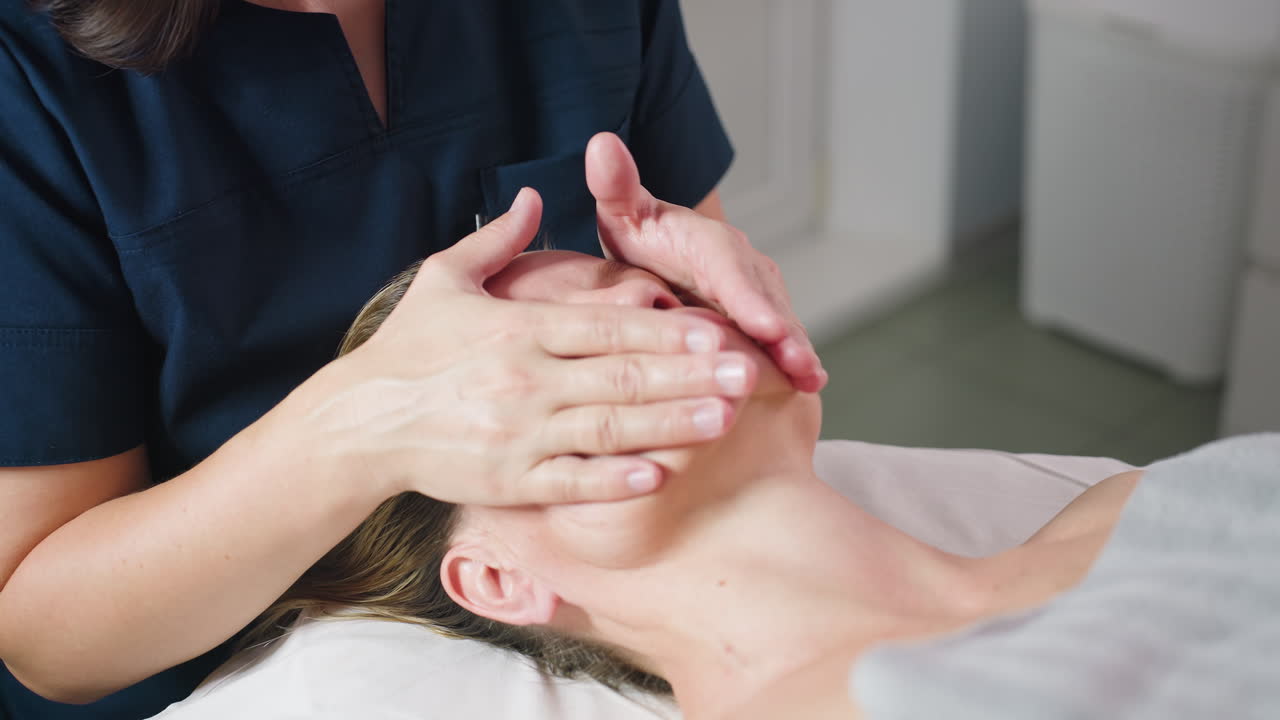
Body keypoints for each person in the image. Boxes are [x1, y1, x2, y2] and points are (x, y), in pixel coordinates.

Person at [0, 2, 828, 718]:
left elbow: (685, 242)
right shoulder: (27, 75)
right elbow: (45, 641)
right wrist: (364, 425)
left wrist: (717, 311)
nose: (653, 314)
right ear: (494, 581)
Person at [219, 247, 1279, 719]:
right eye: (549, 370)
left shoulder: (1120, 509)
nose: (638, 322)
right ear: (494, 578)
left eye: (631, 293)